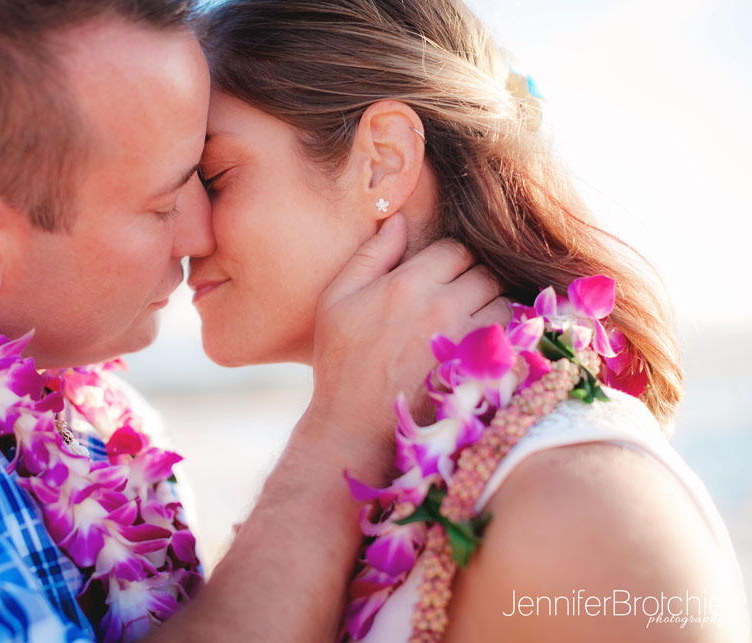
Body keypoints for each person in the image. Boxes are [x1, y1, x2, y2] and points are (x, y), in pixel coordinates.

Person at [0, 1, 509, 641]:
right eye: (167, 199)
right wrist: (337, 438)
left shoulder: (104, 422)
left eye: (212, 175)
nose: (199, 232)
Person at [194, 0, 751, 640]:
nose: (183, 231)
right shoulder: (407, 461)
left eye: (213, 177)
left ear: (384, 160)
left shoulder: (579, 505)